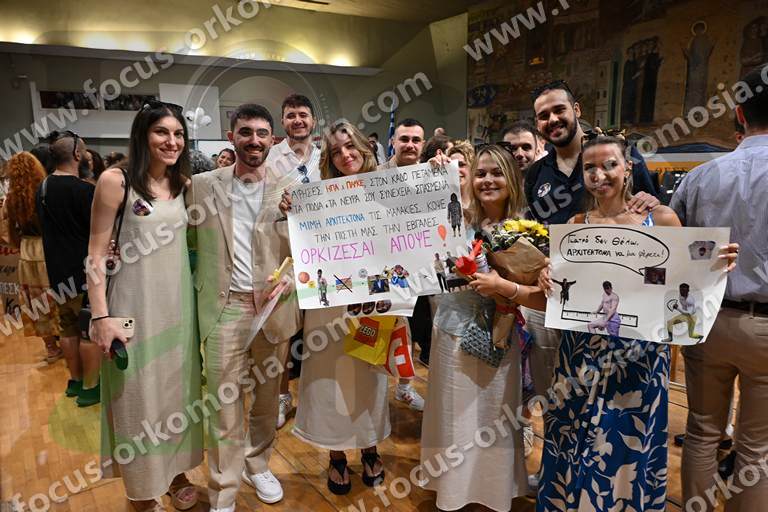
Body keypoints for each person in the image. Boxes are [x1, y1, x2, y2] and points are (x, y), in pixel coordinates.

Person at [537, 135, 738, 511]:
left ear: (627, 167)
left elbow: (687, 276)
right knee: (574, 436)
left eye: (609, 165)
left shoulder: (660, 219)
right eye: (590, 167)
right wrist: (548, 274)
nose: (599, 175)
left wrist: (715, 265)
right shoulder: (576, 224)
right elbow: (565, 285)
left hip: (639, 356)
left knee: (625, 441)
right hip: (580, 353)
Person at [88, 100, 202, 512]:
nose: (172, 141)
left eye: (178, 134)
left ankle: (176, 472)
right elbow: (95, 254)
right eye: (161, 132)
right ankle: (142, 488)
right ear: (142, 135)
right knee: (136, 398)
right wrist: (101, 317)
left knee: (177, 395)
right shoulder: (115, 181)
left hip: (179, 308)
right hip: (132, 305)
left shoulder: (185, 185)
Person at [421, 144, 546, 511]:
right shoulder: (457, 218)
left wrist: (503, 287)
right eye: (480, 173)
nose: (487, 180)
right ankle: (453, 491)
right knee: (454, 414)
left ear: (512, 179)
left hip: (500, 334)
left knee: (494, 416)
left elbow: (542, 296)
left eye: (496, 173)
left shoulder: (530, 230)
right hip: (453, 330)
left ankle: (492, 491)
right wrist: (433, 177)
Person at [188, 103, 298, 511]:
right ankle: (224, 489)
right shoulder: (202, 185)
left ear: (273, 139)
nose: (254, 140)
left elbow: (308, 246)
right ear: (231, 136)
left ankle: (257, 463)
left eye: (262, 133)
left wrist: (292, 275)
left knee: (268, 399)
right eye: (246, 132)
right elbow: (180, 237)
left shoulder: (291, 186)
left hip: (274, 307)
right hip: (224, 308)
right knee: (223, 403)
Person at [670, 65, 767, 512]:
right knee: (757, 448)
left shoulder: (700, 176)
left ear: (740, 114)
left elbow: (673, 251)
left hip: (706, 319)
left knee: (703, 432)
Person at [279, 121, 390, 496]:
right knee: (330, 380)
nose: (345, 155)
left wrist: (439, 170)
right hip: (328, 306)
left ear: (363, 147)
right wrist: (291, 211)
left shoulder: (387, 189)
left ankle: (371, 448)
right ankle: (337, 455)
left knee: (369, 377)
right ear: (327, 158)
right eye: (336, 151)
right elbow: (302, 247)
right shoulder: (317, 195)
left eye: (350, 146)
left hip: (373, 304)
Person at [525, 80, 659, 225]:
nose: (552, 119)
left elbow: (652, 214)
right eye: (544, 116)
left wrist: (649, 201)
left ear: (576, 110)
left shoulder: (621, 153)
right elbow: (536, 227)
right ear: (537, 124)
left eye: (559, 110)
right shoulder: (535, 173)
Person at [36, 132, 103, 406]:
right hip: (84, 272)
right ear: (77, 155)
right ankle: (91, 387)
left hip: (56, 271)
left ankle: (75, 381)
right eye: (84, 152)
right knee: (89, 329)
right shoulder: (85, 190)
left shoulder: (42, 188)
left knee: (67, 329)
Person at [378, 118, 427, 408]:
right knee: (386, 327)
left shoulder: (432, 175)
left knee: (414, 329)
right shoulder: (375, 175)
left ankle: (405, 386)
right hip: (384, 265)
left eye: (415, 140)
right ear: (393, 142)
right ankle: (376, 391)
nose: (409, 145)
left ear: (423, 144)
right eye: (404, 139)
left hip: (423, 266)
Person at [1, 152, 62, 364]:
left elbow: (8, 233)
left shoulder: (11, 200)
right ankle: (66, 339)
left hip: (27, 251)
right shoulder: (47, 194)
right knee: (59, 296)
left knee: (36, 302)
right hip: (49, 249)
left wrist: (21, 245)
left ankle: (51, 347)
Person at [266, 93, 321, 184]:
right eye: (291, 116)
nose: (297, 121)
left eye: (303, 115)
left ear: (313, 122)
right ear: (283, 123)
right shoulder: (268, 158)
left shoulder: (325, 159)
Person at [447, 140, 475, 210]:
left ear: (472, 167)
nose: (456, 169)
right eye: (452, 165)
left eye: (461, 165)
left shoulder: (482, 202)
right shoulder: (441, 202)